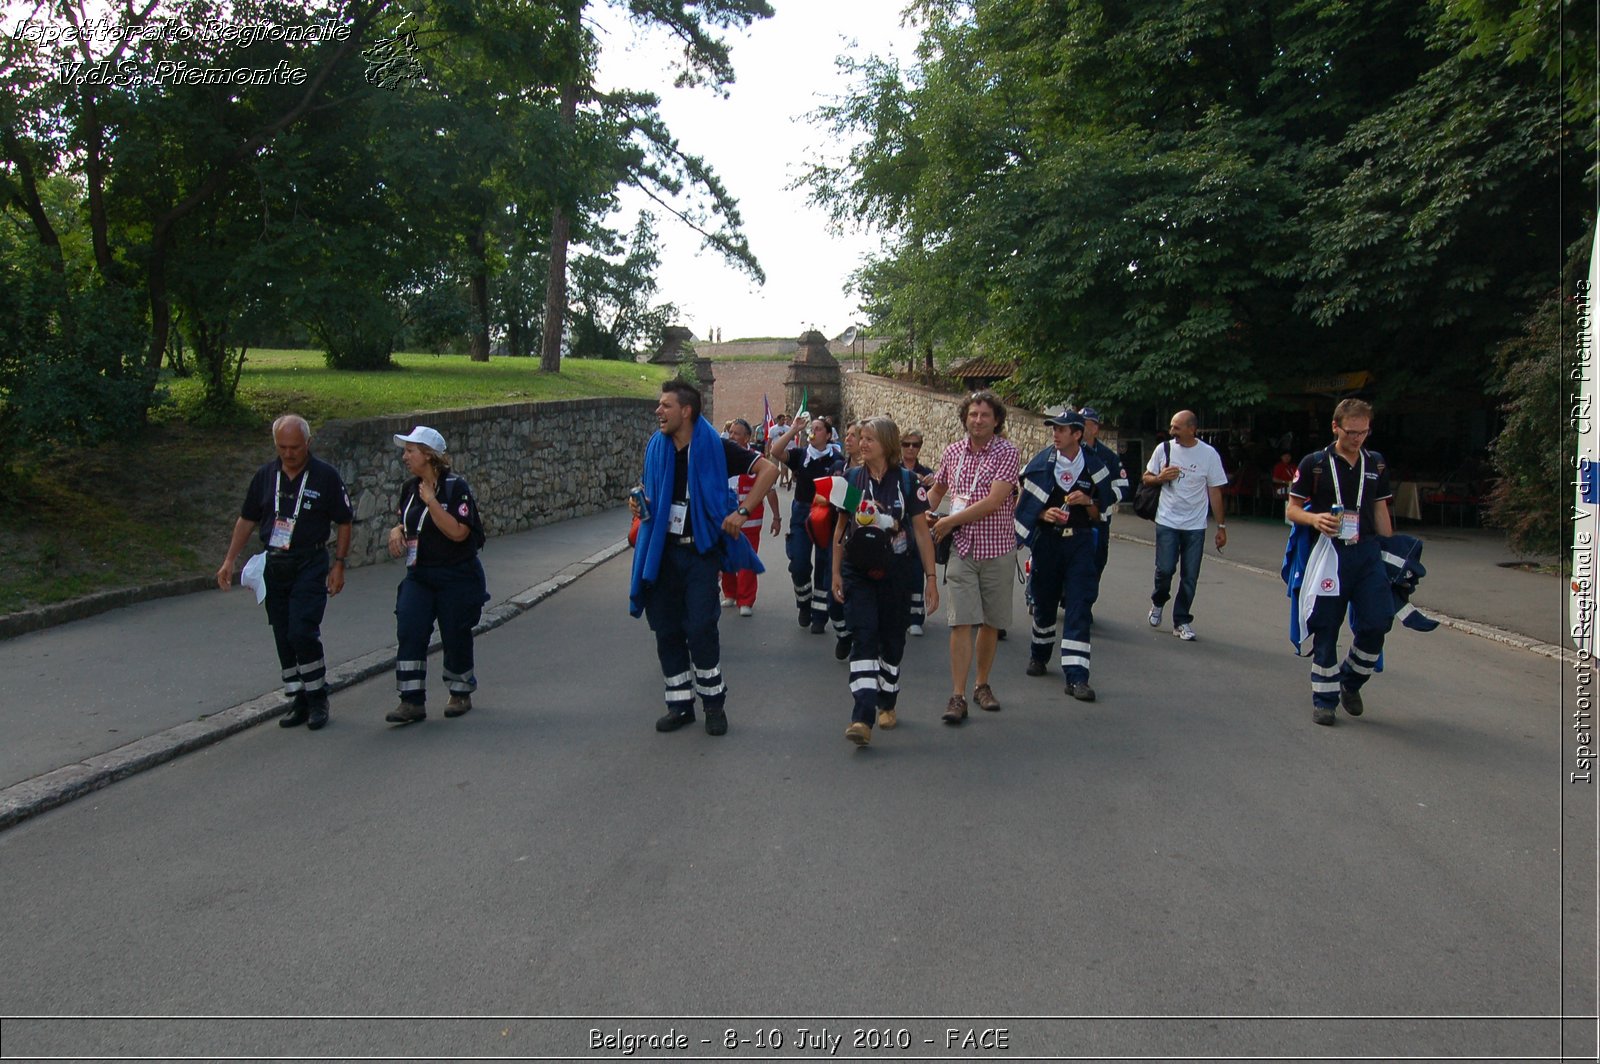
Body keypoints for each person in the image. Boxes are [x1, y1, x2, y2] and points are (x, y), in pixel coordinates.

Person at [629, 380, 780, 736]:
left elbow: (769, 471)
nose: (658, 412)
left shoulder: (717, 448)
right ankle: (679, 705)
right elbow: (649, 491)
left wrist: (742, 511)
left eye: (665, 406)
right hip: (662, 552)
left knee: (699, 628)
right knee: (665, 629)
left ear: (687, 411)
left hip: (699, 553)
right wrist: (637, 503)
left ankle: (713, 704)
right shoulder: (657, 447)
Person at [216, 414, 352, 731]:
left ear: (307, 443)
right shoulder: (266, 476)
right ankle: (298, 698)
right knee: (282, 632)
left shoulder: (325, 476)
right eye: (282, 447)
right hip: (275, 563)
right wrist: (229, 560)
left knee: (302, 629)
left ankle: (318, 696)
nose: (288, 454)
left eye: (294, 447)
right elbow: (247, 519)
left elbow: (344, 521)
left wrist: (339, 564)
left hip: (310, 561)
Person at [829, 416, 939, 746]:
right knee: (864, 635)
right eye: (861, 438)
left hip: (896, 573)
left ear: (887, 444)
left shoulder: (907, 482)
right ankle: (861, 717)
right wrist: (835, 572)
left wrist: (931, 578)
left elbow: (921, 533)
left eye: (869, 439)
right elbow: (840, 530)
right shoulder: (851, 479)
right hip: (858, 572)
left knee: (892, 643)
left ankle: (887, 700)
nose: (862, 444)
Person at [1286, 399, 1396, 726]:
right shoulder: (1314, 463)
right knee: (1326, 625)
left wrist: (1392, 555)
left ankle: (1351, 680)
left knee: (1379, 621)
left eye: (1364, 432)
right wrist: (1315, 519)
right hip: (1330, 553)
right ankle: (1324, 699)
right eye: (1351, 432)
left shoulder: (1375, 463)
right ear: (1335, 426)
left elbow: (1380, 511)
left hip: (1367, 553)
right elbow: (1291, 510)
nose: (1358, 438)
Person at [383, 427, 490, 724]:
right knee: (409, 626)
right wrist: (397, 531)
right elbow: (408, 522)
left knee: (455, 632)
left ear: (428, 455)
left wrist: (431, 499)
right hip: (419, 575)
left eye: (410, 451)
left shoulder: (456, 488)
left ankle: (460, 691)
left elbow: (458, 532)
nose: (405, 456)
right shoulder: (409, 488)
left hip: (455, 574)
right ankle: (411, 700)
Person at [927, 390, 1020, 724]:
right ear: (965, 418)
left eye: (984, 415)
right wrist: (923, 511)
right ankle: (958, 694)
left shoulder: (1008, 452)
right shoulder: (953, 451)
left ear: (996, 420)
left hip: (997, 548)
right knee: (960, 621)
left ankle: (982, 684)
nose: (978, 420)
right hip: (962, 549)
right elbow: (938, 489)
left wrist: (949, 520)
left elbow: (995, 501)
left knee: (991, 622)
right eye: (973, 415)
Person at [1016, 409, 1118, 700]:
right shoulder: (1041, 464)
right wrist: (1043, 514)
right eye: (1054, 429)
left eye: (1061, 429)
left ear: (1077, 434)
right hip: (1047, 542)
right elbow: (1025, 506)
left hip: (1081, 543)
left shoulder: (1095, 467)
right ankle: (1039, 654)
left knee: (1079, 605)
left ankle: (1077, 677)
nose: (1055, 434)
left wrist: (1087, 501)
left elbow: (1102, 514)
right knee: (1044, 601)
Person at [1142, 410, 1229, 641]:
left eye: (1177, 428)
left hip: (1195, 525)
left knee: (1190, 576)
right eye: (1171, 427)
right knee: (1165, 569)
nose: (1172, 432)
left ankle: (1181, 621)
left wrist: (1221, 526)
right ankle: (1158, 601)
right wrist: (1161, 477)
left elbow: (1215, 491)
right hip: (1167, 520)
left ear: (1192, 429)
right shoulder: (1164, 449)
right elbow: (1146, 478)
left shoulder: (1208, 454)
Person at [768, 414, 848, 652]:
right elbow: (775, 451)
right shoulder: (802, 455)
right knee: (799, 562)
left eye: (818, 429)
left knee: (824, 564)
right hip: (803, 512)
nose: (813, 432)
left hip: (827, 514)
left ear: (828, 434)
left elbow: (839, 486)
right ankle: (804, 602)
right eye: (811, 429)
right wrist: (794, 430)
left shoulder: (836, 459)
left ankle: (819, 616)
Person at [719, 418, 781, 616]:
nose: (733, 436)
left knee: (746, 558)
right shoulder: (722, 457)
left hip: (750, 520)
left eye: (737, 433)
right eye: (731, 432)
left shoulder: (756, 460)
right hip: (726, 517)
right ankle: (730, 593)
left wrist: (777, 517)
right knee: (726, 555)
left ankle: (746, 600)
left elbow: (769, 490)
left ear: (747, 437)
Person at [1078, 407, 1130, 614]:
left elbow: (1122, 486)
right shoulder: (1068, 451)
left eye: (1084, 423)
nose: (1080, 427)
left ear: (1095, 428)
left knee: (1097, 562)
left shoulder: (1108, 457)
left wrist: (1100, 501)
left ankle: (1087, 603)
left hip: (1098, 519)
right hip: (1071, 517)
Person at [899, 429, 935, 635]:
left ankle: (915, 617)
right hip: (899, 526)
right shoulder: (895, 469)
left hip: (918, 527)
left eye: (915, 445)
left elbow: (932, 501)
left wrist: (931, 484)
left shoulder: (927, 472)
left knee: (916, 571)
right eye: (906, 444)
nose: (911, 448)